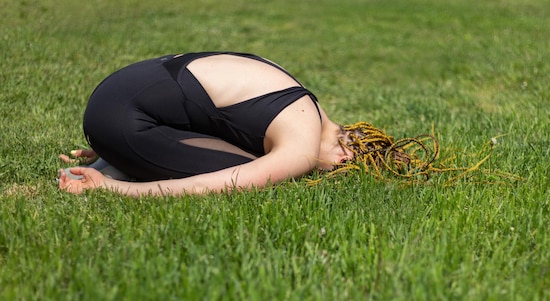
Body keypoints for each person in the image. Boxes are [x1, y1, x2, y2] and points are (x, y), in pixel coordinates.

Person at [58, 52, 356, 196]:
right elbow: (221, 184)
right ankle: (117, 166)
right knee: (252, 168)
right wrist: (116, 189)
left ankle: (119, 156)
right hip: (121, 120)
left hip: (112, 94)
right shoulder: (302, 145)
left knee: (256, 156)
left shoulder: (299, 96)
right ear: (344, 157)